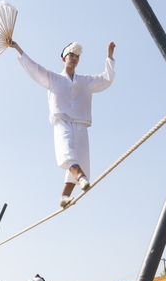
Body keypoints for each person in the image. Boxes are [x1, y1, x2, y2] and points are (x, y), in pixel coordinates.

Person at [9, 40, 116, 206]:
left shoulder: (85, 81)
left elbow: (105, 79)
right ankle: (80, 177)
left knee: (81, 160)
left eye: (77, 57)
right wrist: (17, 48)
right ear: (63, 59)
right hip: (62, 121)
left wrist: (109, 57)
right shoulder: (54, 78)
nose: (74, 59)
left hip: (80, 122)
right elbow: (34, 68)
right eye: (71, 55)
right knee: (68, 153)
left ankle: (64, 196)